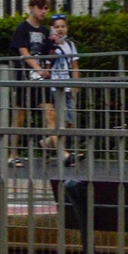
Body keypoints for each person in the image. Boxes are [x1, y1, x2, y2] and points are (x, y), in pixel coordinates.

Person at [7, 0, 53, 167]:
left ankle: (54, 150)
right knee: (20, 117)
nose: (43, 12)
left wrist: (47, 67)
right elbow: (23, 52)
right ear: (31, 8)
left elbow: (49, 53)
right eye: (40, 8)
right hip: (26, 79)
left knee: (50, 113)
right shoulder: (22, 29)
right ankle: (12, 154)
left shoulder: (45, 31)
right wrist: (37, 68)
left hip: (41, 80)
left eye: (46, 8)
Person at [42, 13, 81, 166]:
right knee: (58, 120)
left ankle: (46, 143)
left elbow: (75, 66)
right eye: (56, 27)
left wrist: (75, 84)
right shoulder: (49, 44)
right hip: (54, 86)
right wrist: (52, 47)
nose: (60, 29)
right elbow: (46, 65)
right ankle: (64, 154)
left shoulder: (70, 44)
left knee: (69, 121)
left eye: (62, 26)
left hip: (67, 86)